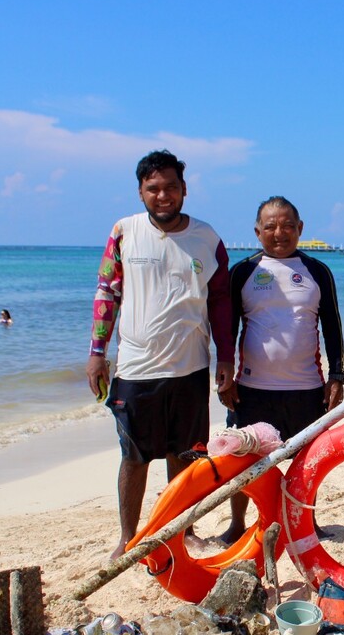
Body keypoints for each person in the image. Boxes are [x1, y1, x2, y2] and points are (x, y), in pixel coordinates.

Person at [86, 149, 235, 559]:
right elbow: (107, 292)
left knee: (185, 456)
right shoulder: (124, 231)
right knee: (134, 457)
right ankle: (127, 536)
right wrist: (97, 352)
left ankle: (183, 532)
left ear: (184, 189)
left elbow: (220, 301)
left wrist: (226, 358)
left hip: (189, 367)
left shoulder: (207, 238)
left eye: (171, 187)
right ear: (140, 193)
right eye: (153, 188)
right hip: (136, 368)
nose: (163, 195)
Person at [219, 196, 344, 544]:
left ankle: (307, 522)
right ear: (258, 231)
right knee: (243, 457)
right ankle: (237, 523)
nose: (280, 232)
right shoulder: (243, 272)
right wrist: (225, 374)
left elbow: (333, 326)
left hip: (306, 386)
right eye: (271, 226)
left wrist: (337, 375)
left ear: (300, 229)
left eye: (288, 225)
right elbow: (227, 329)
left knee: (308, 460)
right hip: (253, 387)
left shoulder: (317, 271)